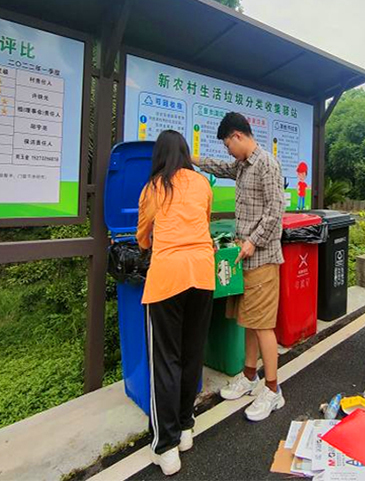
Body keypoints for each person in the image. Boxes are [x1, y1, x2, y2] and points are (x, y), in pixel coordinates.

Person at [193, 112, 285, 422]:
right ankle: (250, 376)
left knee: (263, 326)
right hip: (244, 259)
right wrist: (191, 159)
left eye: (227, 144)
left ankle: (273, 391)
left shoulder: (267, 165)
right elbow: (219, 168)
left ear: (238, 136)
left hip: (261, 258)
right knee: (249, 320)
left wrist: (253, 241)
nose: (227, 152)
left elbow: (276, 212)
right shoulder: (242, 166)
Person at [136, 130, 215, 476]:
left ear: (159, 156)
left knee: (165, 360)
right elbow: (204, 222)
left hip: (167, 277)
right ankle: (185, 428)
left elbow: (142, 235)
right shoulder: (202, 184)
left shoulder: (154, 186)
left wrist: (146, 243)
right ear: (185, 153)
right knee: (191, 353)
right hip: (202, 274)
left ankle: (165, 446)